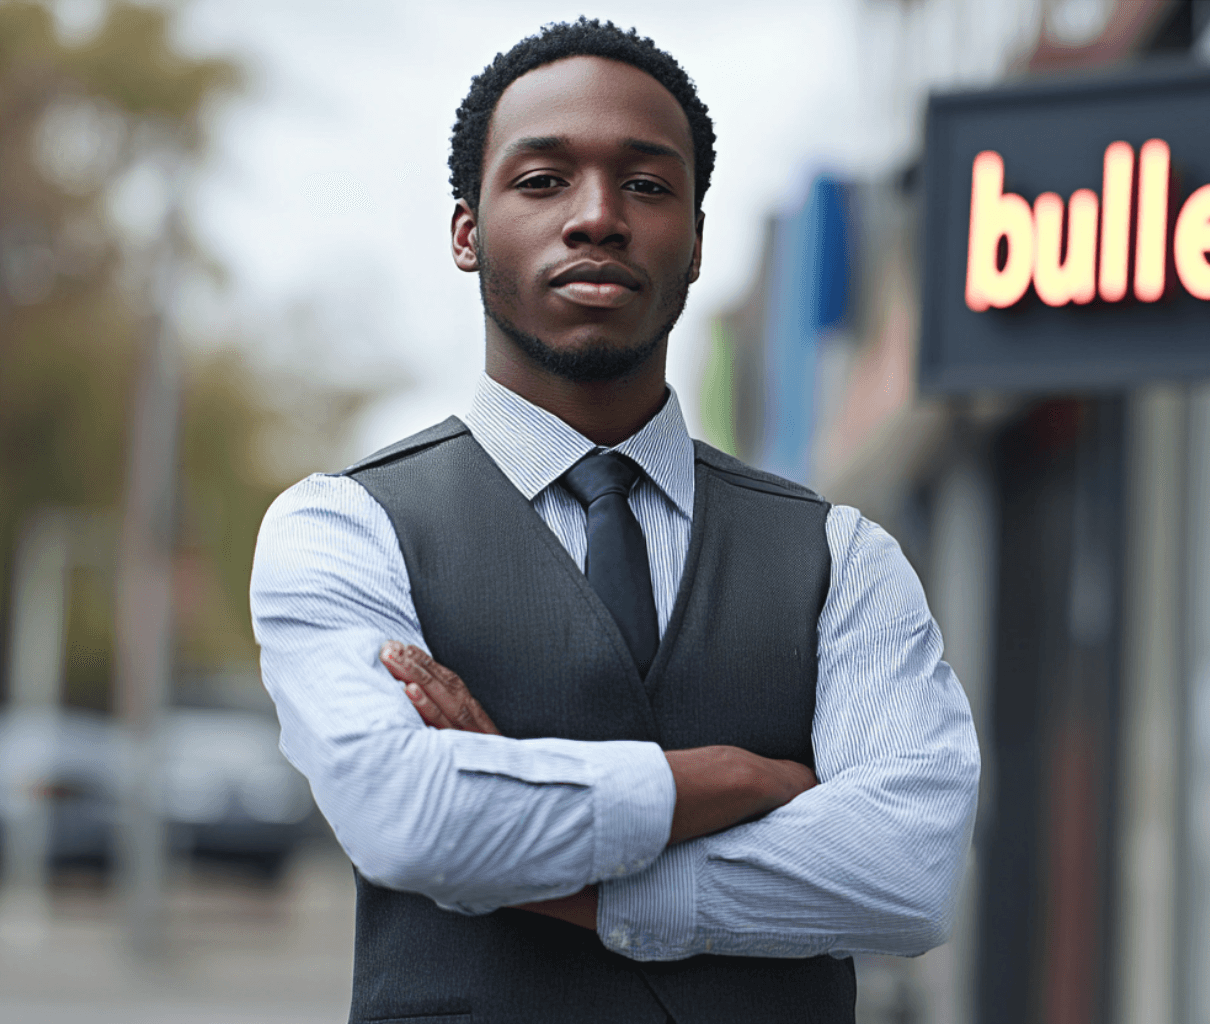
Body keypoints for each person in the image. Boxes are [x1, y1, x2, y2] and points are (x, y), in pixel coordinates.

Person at [249, 18, 980, 1024]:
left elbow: (906, 868)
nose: (597, 217)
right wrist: (737, 776)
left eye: (646, 184)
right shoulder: (343, 528)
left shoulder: (839, 557)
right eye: (543, 179)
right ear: (467, 231)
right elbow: (407, 813)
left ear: (695, 239)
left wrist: (533, 844)